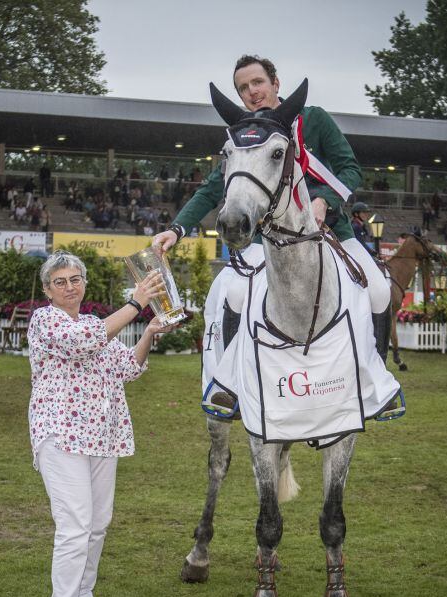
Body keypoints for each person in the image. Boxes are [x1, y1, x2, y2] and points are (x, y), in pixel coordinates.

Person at [153, 54, 392, 399]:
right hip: (267, 239)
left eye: (257, 82)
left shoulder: (315, 120)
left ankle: (376, 386)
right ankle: (231, 385)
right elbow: (212, 188)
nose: (251, 92)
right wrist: (176, 229)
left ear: (275, 83)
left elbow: (350, 170)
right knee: (234, 292)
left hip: (331, 234)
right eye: (242, 88)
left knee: (379, 292)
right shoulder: (244, 134)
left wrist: (323, 199)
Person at [28, 251, 175, 597]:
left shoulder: (96, 324)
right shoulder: (46, 321)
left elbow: (127, 367)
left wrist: (148, 333)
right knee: (75, 527)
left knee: (96, 524)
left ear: (84, 283)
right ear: (47, 290)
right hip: (61, 435)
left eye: (75, 279)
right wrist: (136, 303)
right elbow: (81, 343)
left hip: (102, 437)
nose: (69, 287)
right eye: (60, 282)